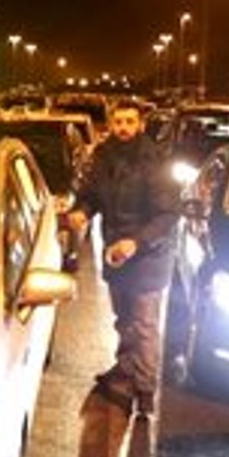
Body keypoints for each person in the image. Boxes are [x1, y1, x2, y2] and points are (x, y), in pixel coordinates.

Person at [66, 100, 179, 417]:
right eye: (118, 122)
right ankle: (124, 368)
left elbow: (169, 213)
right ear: (111, 124)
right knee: (123, 318)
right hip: (115, 250)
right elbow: (91, 195)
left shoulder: (154, 160)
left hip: (148, 255)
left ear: (140, 124)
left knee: (144, 324)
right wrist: (81, 213)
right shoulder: (104, 156)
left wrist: (137, 242)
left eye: (130, 121)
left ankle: (144, 391)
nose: (124, 128)